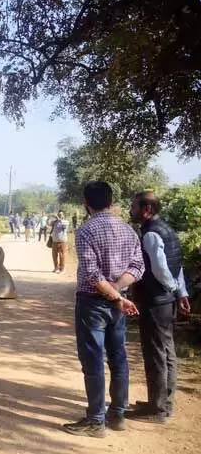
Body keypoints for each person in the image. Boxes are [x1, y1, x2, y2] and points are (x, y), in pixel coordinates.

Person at [63, 181, 144, 438]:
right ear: (110, 201)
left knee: (93, 360)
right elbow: (138, 266)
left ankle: (96, 420)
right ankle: (117, 414)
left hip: (93, 303)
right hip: (117, 303)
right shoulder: (129, 231)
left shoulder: (86, 231)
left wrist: (113, 294)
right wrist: (119, 291)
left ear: (86, 203)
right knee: (118, 357)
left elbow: (91, 274)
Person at [127, 191, 191, 424]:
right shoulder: (166, 229)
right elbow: (177, 265)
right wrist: (180, 292)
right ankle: (163, 402)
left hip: (156, 302)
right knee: (167, 352)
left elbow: (161, 269)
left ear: (147, 210)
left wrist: (172, 288)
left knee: (156, 355)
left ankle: (158, 410)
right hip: (166, 301)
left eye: (134, 206)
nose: (131, 210)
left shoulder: (151, 234)